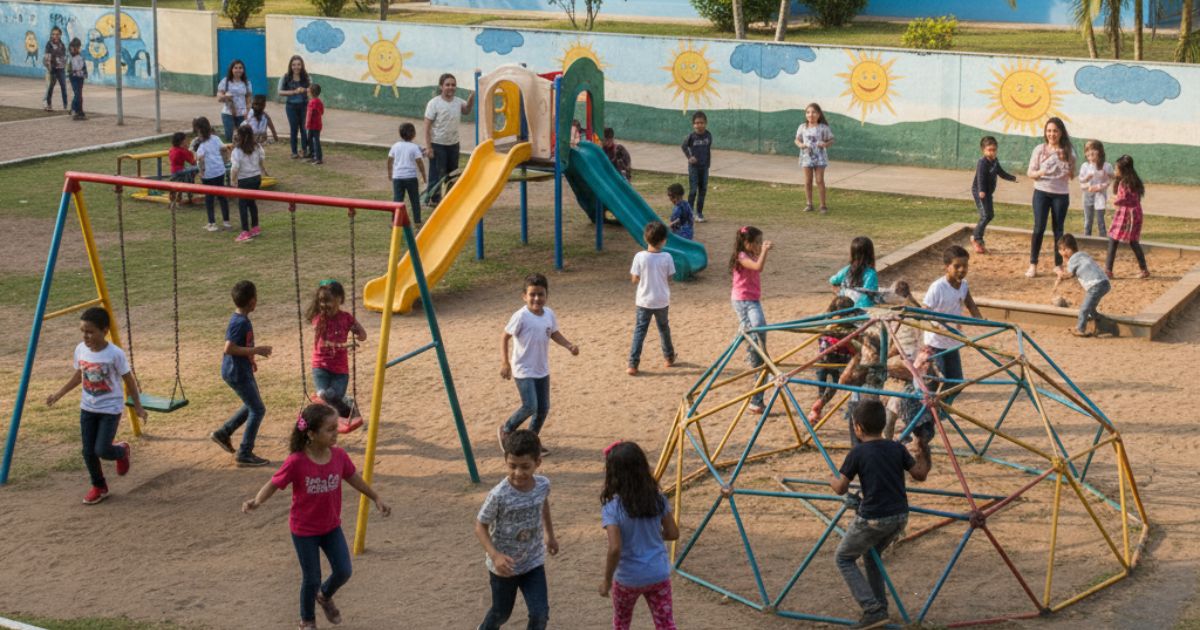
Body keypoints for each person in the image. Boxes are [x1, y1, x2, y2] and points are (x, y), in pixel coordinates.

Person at [242, 403, 391, 630]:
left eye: (336, 427)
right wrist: (257, 501)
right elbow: (274, 483)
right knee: (311, 578)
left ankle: (325, 595)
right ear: (311, 434)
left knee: (343, 570)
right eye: (330, 429)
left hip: (331, 527)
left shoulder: (339, 456)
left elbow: (354, 478)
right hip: (304, 531)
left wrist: (376, 497)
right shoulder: (296, 462)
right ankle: (307, 620)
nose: (336, 433)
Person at [830, 400, 930, 630]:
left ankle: (871, 609)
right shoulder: (896, 447)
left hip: (873, 519)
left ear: (858, 428)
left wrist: (831, 480)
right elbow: (920, 474)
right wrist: (923, 449)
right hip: (899, 517)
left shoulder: (858, 452)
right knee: (870, 555)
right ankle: (880, 608)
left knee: (843, 558)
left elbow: (841, 488)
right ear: (884, 424)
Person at [44, 307, 146, 505]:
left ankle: (121, 451)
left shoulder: (115, 354)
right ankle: (99, 486)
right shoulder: (80, 350)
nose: (86, 336)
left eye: (90, 331)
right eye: (83, 331)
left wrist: (138, 406)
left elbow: (129, 380)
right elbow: (79, 375)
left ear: (105, 331)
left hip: (110, 410)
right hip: (88, 408)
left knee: (102, 450)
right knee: (88, 452)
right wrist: (59, 394)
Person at [475, 430, 558, 630]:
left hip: (533, 561)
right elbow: (480, 526)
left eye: (525, 466)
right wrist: (495, 556)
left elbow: (543, 505)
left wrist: (550, 535)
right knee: (501, 613)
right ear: (505, 460)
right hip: (505, 568)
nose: (518, 473)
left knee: (540, 614)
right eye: (512, 466)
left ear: (538, 462)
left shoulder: (543, 485)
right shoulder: (498, 495)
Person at [599, 441, 680, 630]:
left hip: (628, 578)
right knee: (666, 624)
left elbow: (615, 548)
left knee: (621, 623)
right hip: (658, 574)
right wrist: (652, 536)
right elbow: (673, 533)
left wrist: (606, 580)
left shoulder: (611, 509)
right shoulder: (658, 500)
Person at [499, 274, 579, 455]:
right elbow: (504, 337)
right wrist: (505, 363)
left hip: (541, 369)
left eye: (541, 294)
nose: (537, 298)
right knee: (530, 406)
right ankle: (507, 429)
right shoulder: (520, 316)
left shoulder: (549, 314)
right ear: (524, 296)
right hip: (523, 369)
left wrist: (569, 345)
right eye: (532, 294)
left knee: (543, 408)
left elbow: (554, 333)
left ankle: (531, 442)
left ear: (546, 295)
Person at [210, 280, 273, 467]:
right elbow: (229, 348)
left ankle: (223, 433)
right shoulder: (240, 323)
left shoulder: (242, 320)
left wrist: (251, 360)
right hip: (236, 372)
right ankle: (244, 453)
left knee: (252, 405)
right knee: (258, 409)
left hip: (240, 369)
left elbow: (241, 346)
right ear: (253, 301)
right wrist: (256, 351)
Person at [922, 245, 982, 398]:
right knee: (933, 381)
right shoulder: (937, 288)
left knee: (956, 381)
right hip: (935, 342)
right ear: (946, 267)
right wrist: (936, 324)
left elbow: (970, 303)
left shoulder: (964, 285)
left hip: (952, 340)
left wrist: (979, 319)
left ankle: (939, 409)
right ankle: (927, 412)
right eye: (957, 266)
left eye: (965, 266)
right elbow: (924, 311)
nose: (962, 270)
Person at [305, 279, 367, 423]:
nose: (324, 305)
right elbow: (324, 343)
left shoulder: (346, 318)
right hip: (321, 366)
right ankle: (346, 409)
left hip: (340, 369)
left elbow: (363, 336)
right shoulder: (319, 319)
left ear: (339, 299)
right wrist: (345, 345)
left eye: (328, 301)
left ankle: (347, 403)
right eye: (321, 301)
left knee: (333, 396)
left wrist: (356, 331)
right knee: (322, 395)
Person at [1025, 117, 1076, 278]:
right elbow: (1030, 173)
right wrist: (1041, 172)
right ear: (1045, 133)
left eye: (1055, 131)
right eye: (1049, 131)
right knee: (1039, 227)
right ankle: (1033, 264)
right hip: (1041, 192)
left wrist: (1067, 165)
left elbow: (1072, 175)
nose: (1052, 134)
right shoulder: (1039, 149)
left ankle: (1058, 265)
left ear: (1061, 133)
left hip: (1060, 195)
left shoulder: (1069, 151)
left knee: (1058, 230)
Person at [730, 225, 773, 414]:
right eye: (755, 243)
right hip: (743, 302)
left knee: (760, 328)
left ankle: (762, 358)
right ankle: (753, 353)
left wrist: (761, 251)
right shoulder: (742, 257)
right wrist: (764, 251)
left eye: (759, 243)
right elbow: (758, 267)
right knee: (753, 329)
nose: (758, 245)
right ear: (746, 244)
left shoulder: (751, 254)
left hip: (753, 300)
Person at [627, 222, 676, 376]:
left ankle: (632, 364)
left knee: (640, 331)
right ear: (663, 240)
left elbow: (634, 279)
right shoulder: (667, 257)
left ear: (645, 238)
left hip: (644, 301)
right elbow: (670, 278)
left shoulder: (639, 256)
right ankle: (669, 357)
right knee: (663, 329)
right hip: (661, 300)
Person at [424, 73, 476, 205]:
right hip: (438, 144)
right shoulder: (434, 103)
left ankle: (450, 199)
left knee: (452, 173)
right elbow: (427, 127)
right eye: (447, 85)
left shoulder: (458, 102)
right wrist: (429, 147)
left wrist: (471, 99)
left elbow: (466, 111)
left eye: (453, 85)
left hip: (453, 144)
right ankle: (433, 200)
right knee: (436, 174)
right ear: (441, 86)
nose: (450, 87)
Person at [809, 295, 856, 422]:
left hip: (823, 360)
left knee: (823, 388)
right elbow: (854, 350)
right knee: (834, 385)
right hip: (838, 362)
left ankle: (816, 410)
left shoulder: (827, 323)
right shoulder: (845, 328)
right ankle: (818, 406)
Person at [1105, 155, 1151, 280]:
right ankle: (1144, 269)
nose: (1115, 171)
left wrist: (1113, 200)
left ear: (1123, 170)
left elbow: (1123, 198)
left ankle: (1108, 271)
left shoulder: (1125, 182)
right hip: (1134, 214)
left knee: (1114, 240)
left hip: (1127, 215)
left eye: (1117, 169)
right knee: (1133, 241)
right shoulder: (1133, 181)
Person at [1056, 234, 1111, 338]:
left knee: (1084, 308)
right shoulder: (1083, 254)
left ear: (1066, 250)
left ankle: (1080, 329)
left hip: (1095, 285)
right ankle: (1102, 323)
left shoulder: (1072, 260)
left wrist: (1059, 274)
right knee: (1091, 308)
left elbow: (1069, 274)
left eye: (1062, 251)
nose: (1061, 253)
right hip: (1104, 283)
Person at [970, 136, 1017, 254]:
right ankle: (977, 239)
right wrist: (981, 191)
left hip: (988, 193)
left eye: (994, 149)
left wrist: (1012, 178)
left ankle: (976, 237)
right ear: (983, 150)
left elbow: (1001, 172)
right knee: (985, 215)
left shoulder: (995, 161)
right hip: (980, 192)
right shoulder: (982, 162)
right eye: (989, 150)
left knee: (990, 215)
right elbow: (980, 177)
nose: (992, 152)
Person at [193, 116, 231, 232]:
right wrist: (224, 162)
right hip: (219, 171)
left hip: (208, 174)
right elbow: (224, 149)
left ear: (199, 130)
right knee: (222, 196)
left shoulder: (201, 145)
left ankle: (212, 223)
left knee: (209, 198)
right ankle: (226, 222)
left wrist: (201, 172)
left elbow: (200, 159)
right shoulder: (215, 138)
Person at [795, 102, 834, 214]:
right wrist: (800, 145)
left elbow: (831, 140)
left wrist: (825, 144)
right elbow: (797, 139)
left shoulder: (823, 128)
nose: (810, 115)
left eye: (813, 112)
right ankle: (809, 204)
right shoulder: (802, 127)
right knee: (808, 181)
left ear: (818, 114)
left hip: (820, 158)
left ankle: (823, 206)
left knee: (819, 180)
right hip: (806, 157)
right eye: (808, 112)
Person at [230, 125, 267, 243]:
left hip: (244, 180)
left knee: (243, 205)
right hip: (256, 178)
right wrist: (262, 169)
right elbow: (261, 159)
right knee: (251, 203)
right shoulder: (257, 146)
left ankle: (245, 231)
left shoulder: (237, 151)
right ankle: (255, 227)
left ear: (240, 136)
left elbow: (235, 167)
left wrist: (233, 180)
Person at [387, 122, 426, 224]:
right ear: (413, 134)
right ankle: (417, 221)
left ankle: (394, 221)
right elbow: (420, 163)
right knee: (415, 200)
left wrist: (390, 173)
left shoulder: (395, 146)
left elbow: (390, 160)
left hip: (398, 178)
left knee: (397, 200)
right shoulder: (414, 147)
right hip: (411, 178)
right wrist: (424, 176)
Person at [830, 236, 878, 309]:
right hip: (862, 308)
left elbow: (833, 280)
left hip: (843, 305)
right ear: (871, 254)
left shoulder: (847, 269)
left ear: (852, 254)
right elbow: (870, 292)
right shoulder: (871, 273)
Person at [277, 55, 311, 159]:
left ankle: (304, 150)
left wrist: (304, 90)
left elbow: (311, 90)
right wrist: (293, 92)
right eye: (294, 65)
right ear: (290, 66)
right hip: (291, 107)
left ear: (302, 65)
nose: (296, 67)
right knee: (294, 129)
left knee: (304, 129)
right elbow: (279, 92)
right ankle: (294, 152)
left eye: (298, 64)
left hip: (304, 106)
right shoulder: (286, 77)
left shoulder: (307, 77)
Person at [681, 111, 712, 223]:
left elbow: (708, 150)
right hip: (694, 168)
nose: (699, 125)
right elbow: (684, 146)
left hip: (704, 168)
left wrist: (707, 165)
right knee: (693, 190)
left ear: (706, 123)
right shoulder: (691, 137)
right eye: (696, 123)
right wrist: (689, 157)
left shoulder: (708, 135)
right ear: (693, 124)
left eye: (701, 123)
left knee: (702, 190)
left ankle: (699, 213)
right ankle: (689, 213)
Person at [1078, 140, 1113, 238]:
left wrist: (1100, 187)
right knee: (1088, 220)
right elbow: (1081, 182)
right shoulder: (1085, 166)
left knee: (1100, 220)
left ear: (1100, 152)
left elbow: (1109, 180)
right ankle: (1087, 239)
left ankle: (1103, 240)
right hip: (1087, 196)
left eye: (1094, 149)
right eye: (1088, 150)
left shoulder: (1107, 166)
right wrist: (1088, 186)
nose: (1091, 152)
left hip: (1100, 196)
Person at [217, 59, 252, 142]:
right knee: (229, 137)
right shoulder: (225, 81)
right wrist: (226, 96)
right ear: (231, 69)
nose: (238, 70)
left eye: (240, 68)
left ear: (243, 70)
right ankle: (231, 154)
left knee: (243, 138)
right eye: (235, 68)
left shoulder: (247, 82)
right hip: (228, 113)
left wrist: (248, 111)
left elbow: (248, 98)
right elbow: (219, 97)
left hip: (242, 114)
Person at [42, 26, 67, 112]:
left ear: (60, 35)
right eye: (53, 34)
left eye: (57, 34)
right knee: (50, 87)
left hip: (61, 69)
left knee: (63, 87)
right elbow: (47, 57)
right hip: (51, 69)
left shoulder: (62, 44)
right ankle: (48, 104)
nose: (55, 36)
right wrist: (49, 68)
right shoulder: (49, 44)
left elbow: (64, 57)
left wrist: (64, 66)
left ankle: (65, 106)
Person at [67, 37, 87, 120]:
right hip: (74, 77)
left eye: (78, 47)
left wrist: (84, 73)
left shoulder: (80, 56)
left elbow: (83, 66)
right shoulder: (71, 56)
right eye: (76, 47)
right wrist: (74, 72)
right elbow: (69, 68)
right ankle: (74, 110)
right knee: (77, 94)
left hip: (80, 77)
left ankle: (79, 111)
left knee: (79, 94)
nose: (77, 48)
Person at [305, 84, 325, 165]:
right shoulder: (319, 101)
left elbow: (309, 114)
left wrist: (307, 124)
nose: (307, 92)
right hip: (318, 125)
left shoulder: (312, 102)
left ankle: (318, 158)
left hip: (313, 126)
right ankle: (313, 156)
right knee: (312, 140)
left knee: (314, 141)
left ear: (311, 93)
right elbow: (322, 112)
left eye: (308, 91)